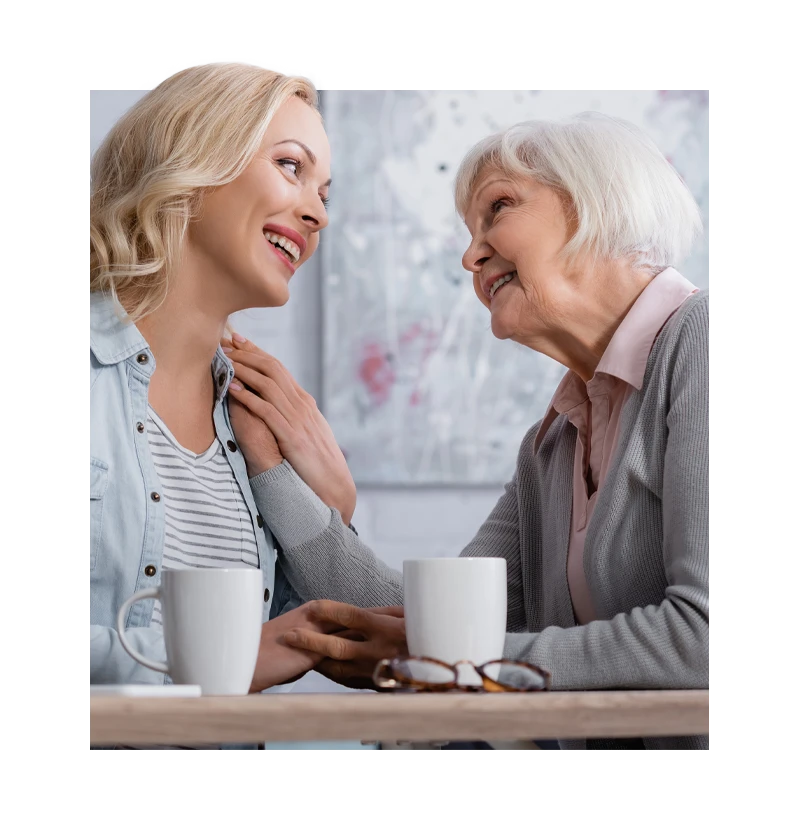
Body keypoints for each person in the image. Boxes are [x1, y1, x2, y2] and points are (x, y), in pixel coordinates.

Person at [226, 112, 711, 752]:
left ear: (599, 201)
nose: (470, 255)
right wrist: (285, 476)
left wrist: (465, 668)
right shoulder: (554, 441)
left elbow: (710, 642)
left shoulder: (708, 340)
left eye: (499, 209)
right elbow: (434, 626)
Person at [89, 63, 397, 747]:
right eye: (291, 167)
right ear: (191, 161)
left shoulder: (256, 420)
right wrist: (206, 665)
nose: (317, 212)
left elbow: (365, 639)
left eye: (325, 193)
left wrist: (330, 502)